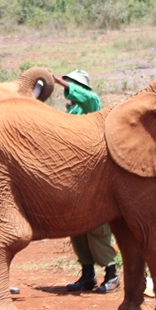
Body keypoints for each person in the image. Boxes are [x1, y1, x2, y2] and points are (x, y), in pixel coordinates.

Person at [53, 69, 119, 294]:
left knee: (98, 227)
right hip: (73, 176)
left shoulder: (92, 104)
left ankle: (112, 274)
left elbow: (91, 98)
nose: (67, 89)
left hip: (95, 175)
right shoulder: (70, 111)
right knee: (77, 225)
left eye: (71, 85)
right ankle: (87, 275)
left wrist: (58, 80)